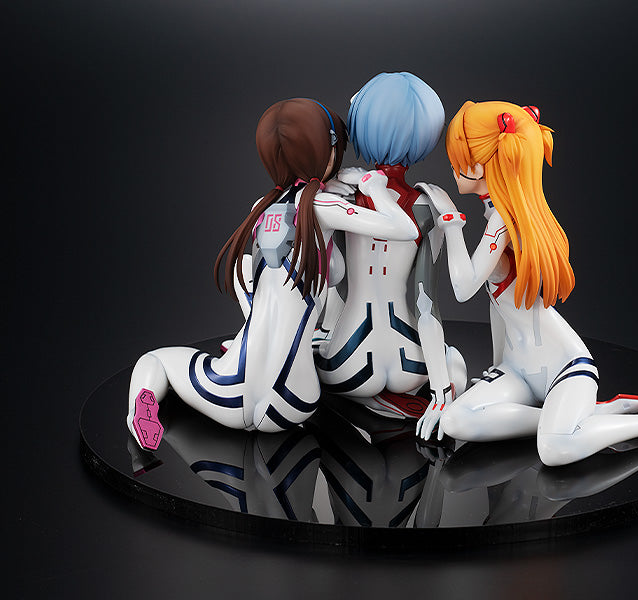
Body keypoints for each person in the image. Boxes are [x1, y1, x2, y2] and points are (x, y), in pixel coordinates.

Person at [417, 100, 638, 467]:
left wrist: (450, 223)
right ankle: (587, 416)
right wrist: (496, 368)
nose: (452, 167)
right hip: (517, 370)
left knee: (555, 450)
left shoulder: (502, 221)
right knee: (456, 421)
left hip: (565, 368)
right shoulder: (497, 214)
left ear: (480, 165)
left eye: (458, 158)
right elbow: (498, 307)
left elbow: (464, 289)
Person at [126, 98, 419, 451]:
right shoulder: (324, 207)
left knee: (155, 360)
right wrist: (373, 189)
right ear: (328, 151)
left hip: (228, 391)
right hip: (293, 400)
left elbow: (265, 282)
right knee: (322, 352)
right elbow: (404, 229)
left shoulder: (261, 209)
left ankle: (140, 408)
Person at [315, 73, 466, 420]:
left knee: (316, 350)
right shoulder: (428, 205)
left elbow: (333, 283)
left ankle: (370, 402)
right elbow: (426, 303)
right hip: (411, 367)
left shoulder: (342, 195)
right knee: (452, 356)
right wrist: (440, 392)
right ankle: (423, 400)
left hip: (347, 365)